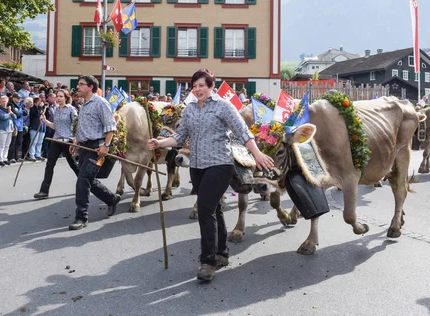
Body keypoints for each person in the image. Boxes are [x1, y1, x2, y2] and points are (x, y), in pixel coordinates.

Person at [147, 69, 274, 282]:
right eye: (194, 86)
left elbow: (243, 132)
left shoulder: (223, 107)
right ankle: (222, 252)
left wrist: (258, 154)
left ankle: (208, 261)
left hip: (220, 165)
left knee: (205, 210)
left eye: (201, 86)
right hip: (197, 167)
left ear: (211, 86)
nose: (197, 90)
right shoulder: (189, 110)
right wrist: (160, 143)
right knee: (214, 209)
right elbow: (179, 136)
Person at [65, 76, 121, 230]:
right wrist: (76, 142)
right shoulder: (84, 104)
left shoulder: (100, 103)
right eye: (78, 84)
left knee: (83, 180)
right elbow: (83, 127)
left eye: (81, 84)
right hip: (84, 147)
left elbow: (111, 127)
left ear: (90, 87)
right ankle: (112, 198)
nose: (78, 87)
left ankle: (81, 217)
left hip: (96, 148)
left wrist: (106, 146)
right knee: (87, 179)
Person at [33, 90, 80, 200]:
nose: (58, 98)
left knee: (74, 165)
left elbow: (77, 126)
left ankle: (89, 184)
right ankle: (44, 191)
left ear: (66, 98)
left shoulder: (71, 109)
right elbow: (56, 126)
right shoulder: (56, 111)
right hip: (56, 140)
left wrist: (75, 140)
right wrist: (45, 121)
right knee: (49, 165)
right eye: (57, 96)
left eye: (60, 96)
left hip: (68, 141)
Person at [0, 95, 16, 166]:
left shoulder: (8, 109)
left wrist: (11, 113)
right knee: (2, 145)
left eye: (6, 101)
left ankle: (5, 158)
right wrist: (9, 113)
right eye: (3, 101)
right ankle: (0, 159)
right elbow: (3, 117)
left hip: (10, 128)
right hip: (3, 128)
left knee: (7, 145)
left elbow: (15, 117)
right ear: (0, 102)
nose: (4, 103)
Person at [7, 93, 27, 163]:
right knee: (13, 142)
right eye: (18, 98)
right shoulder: (10, 104)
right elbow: (16, 114)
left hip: (20, 125)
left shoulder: (21, 104)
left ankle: (16, 156)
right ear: (13, 98)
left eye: (20, 98)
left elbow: (26, 113)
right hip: (14, 125)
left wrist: (22, 111)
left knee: (19, 142)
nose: (19, 99)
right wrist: (20, 113)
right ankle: (11, 157)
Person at [28, 97, 46, 161]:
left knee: (40, 142)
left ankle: (38, 154)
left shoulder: (41, 108)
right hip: (34, 127)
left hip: (41, 127)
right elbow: (35, 114)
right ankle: (32, 155)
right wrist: (39, 110)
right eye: (39, 101)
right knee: (34, 142)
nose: (40, 102)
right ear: (36, 102)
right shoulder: (32, 109)